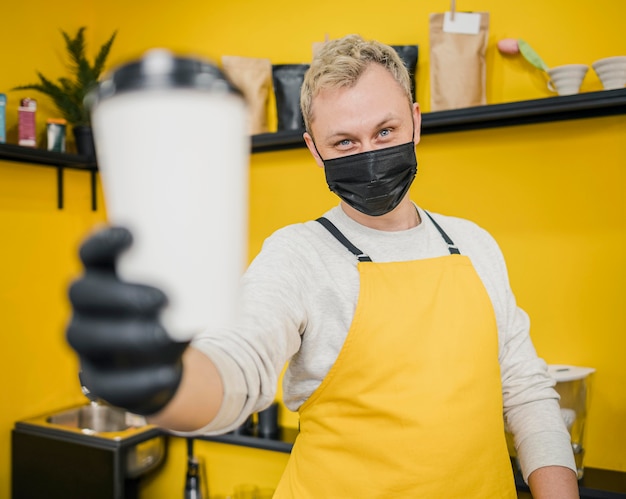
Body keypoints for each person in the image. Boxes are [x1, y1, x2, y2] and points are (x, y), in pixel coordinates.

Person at [67, 34, 579, 497]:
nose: (370, 154)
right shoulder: (298, 254)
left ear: (416, 123)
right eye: (345, 142)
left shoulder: (474, 244)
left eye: (385, 131)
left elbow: (526, 390)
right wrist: (165, 382)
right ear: (315, 149)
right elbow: (239, 362)